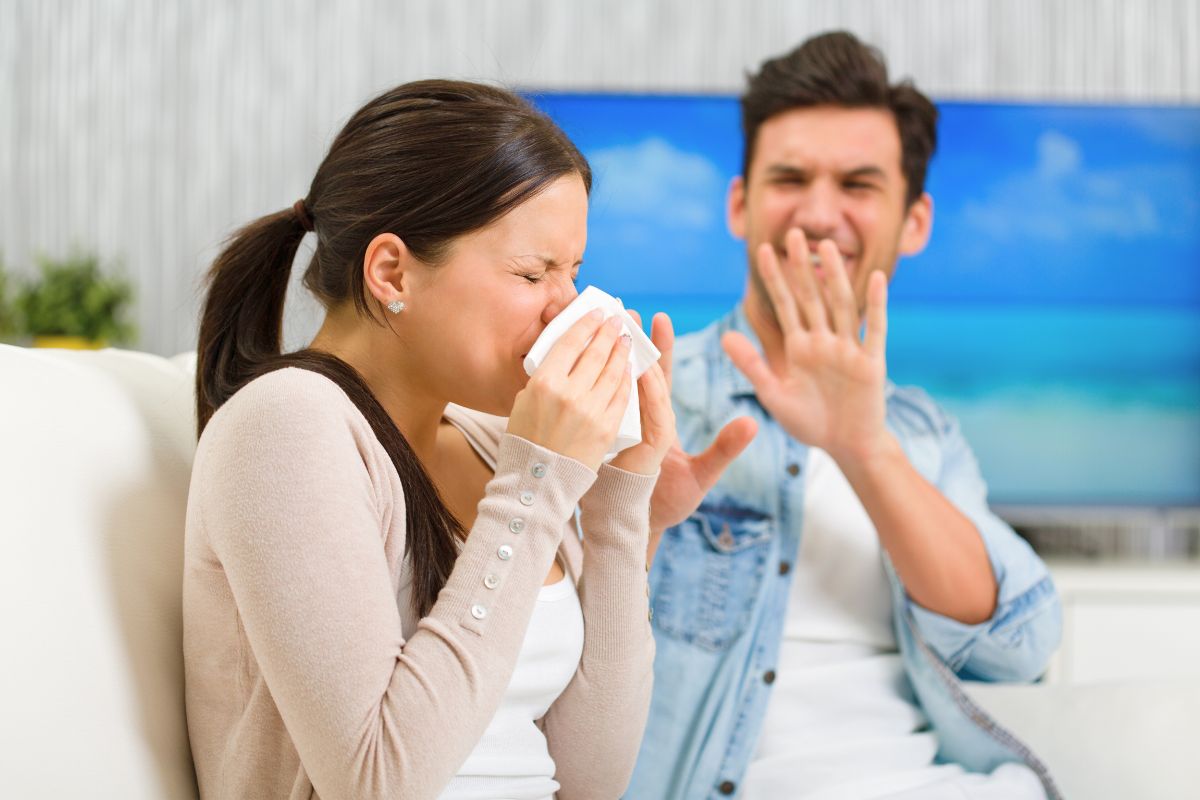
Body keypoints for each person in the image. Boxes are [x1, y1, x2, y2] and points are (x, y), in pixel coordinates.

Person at [184, 80, 711, 800]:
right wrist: (536, 486)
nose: (573, 309)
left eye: (575, 274)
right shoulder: (287, 423)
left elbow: (591, 781)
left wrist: (622, 506)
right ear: (391, 272)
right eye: (533, 273)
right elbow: (377, 781)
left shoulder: (500, 447)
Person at [628, 32, 1063, 800]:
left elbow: (1019, 648)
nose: (819, 213)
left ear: (915, 222)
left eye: (859, 185)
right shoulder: (645, 394)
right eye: (790, 178)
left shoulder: (923, 438)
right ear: (740, 204)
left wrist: (864, 447)